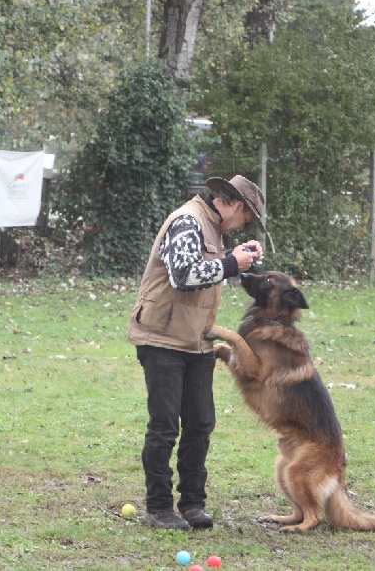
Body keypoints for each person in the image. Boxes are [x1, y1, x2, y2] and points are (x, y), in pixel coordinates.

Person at [128, 175, 265, 530]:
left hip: (197, 339)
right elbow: (184, 275)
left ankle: (192, 504)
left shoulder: (213, 228)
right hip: (161, 339)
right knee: (164, 426)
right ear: (235, 205)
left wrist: (238, 257)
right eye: (246, 218)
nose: (242, 225)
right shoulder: (188, 220)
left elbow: (207, 269)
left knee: (201, 423)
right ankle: (158, 507)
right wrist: (232, 263)